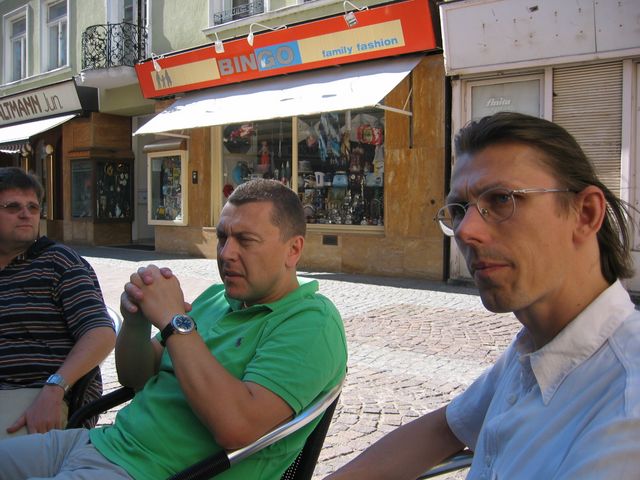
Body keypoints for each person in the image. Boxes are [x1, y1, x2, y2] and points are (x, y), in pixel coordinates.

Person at [326, 112, 640, 479]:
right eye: (459, 210)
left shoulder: (625, 411)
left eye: (502, 199)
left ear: (585, 213)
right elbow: (445, 428)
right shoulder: (535, 348)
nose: (465, 231)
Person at [0, 178, 348, 480]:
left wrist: (174, 322)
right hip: (100, 443)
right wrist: (137, 321)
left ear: (293, 249)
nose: (226, 253)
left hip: (148, 473)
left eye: (246, 240)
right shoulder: (217, 298)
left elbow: (237, 427)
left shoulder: (310, 322)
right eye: (222, 237)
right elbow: (136, 378)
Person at [0, 167, 116, 438]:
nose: (26, 213)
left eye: (32, 207)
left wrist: (54, 388)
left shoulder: (59, 262)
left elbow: (100, 333)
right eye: (13, 207)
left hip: (42, 394)